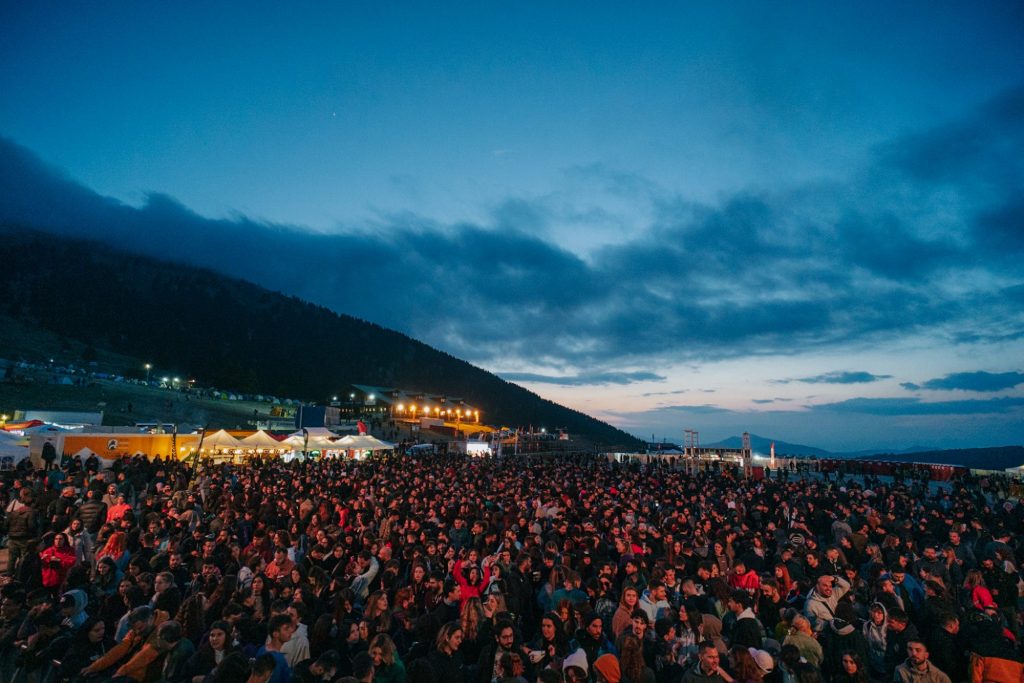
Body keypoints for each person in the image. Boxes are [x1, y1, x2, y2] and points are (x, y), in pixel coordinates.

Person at [257, 613, 296, 683]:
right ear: (275, 634)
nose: (290, 631)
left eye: (290, 627)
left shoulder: (262, 649)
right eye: (286, 628)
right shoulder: (279, 659)